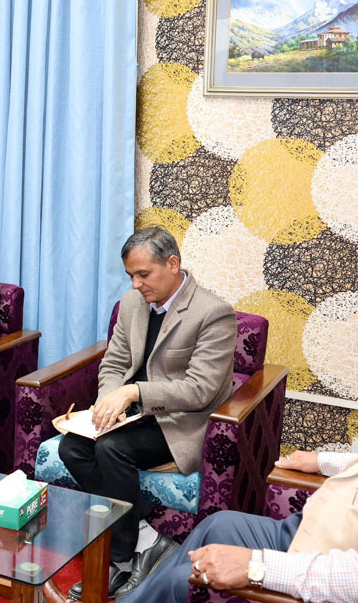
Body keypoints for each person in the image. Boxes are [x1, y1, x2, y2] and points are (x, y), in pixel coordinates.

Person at [127, 283, 358, 603]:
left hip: (333, 562)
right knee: (218, 524)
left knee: (181, 581)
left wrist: (255, 567)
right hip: (323, 532)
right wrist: (323, 461)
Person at [56, 226, 237, 600]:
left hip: (180, 422)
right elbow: (113, 363)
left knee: (111, 449)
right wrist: (109, 402)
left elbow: (200, 390)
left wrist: (133, 392)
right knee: (71, 447)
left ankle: (118, 559)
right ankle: (148, 540)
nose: (136, 285)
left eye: (143, 274)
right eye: (130, 276)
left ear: (172, 264)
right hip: (131, 414)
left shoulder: (213, 313)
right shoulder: (131, 303)